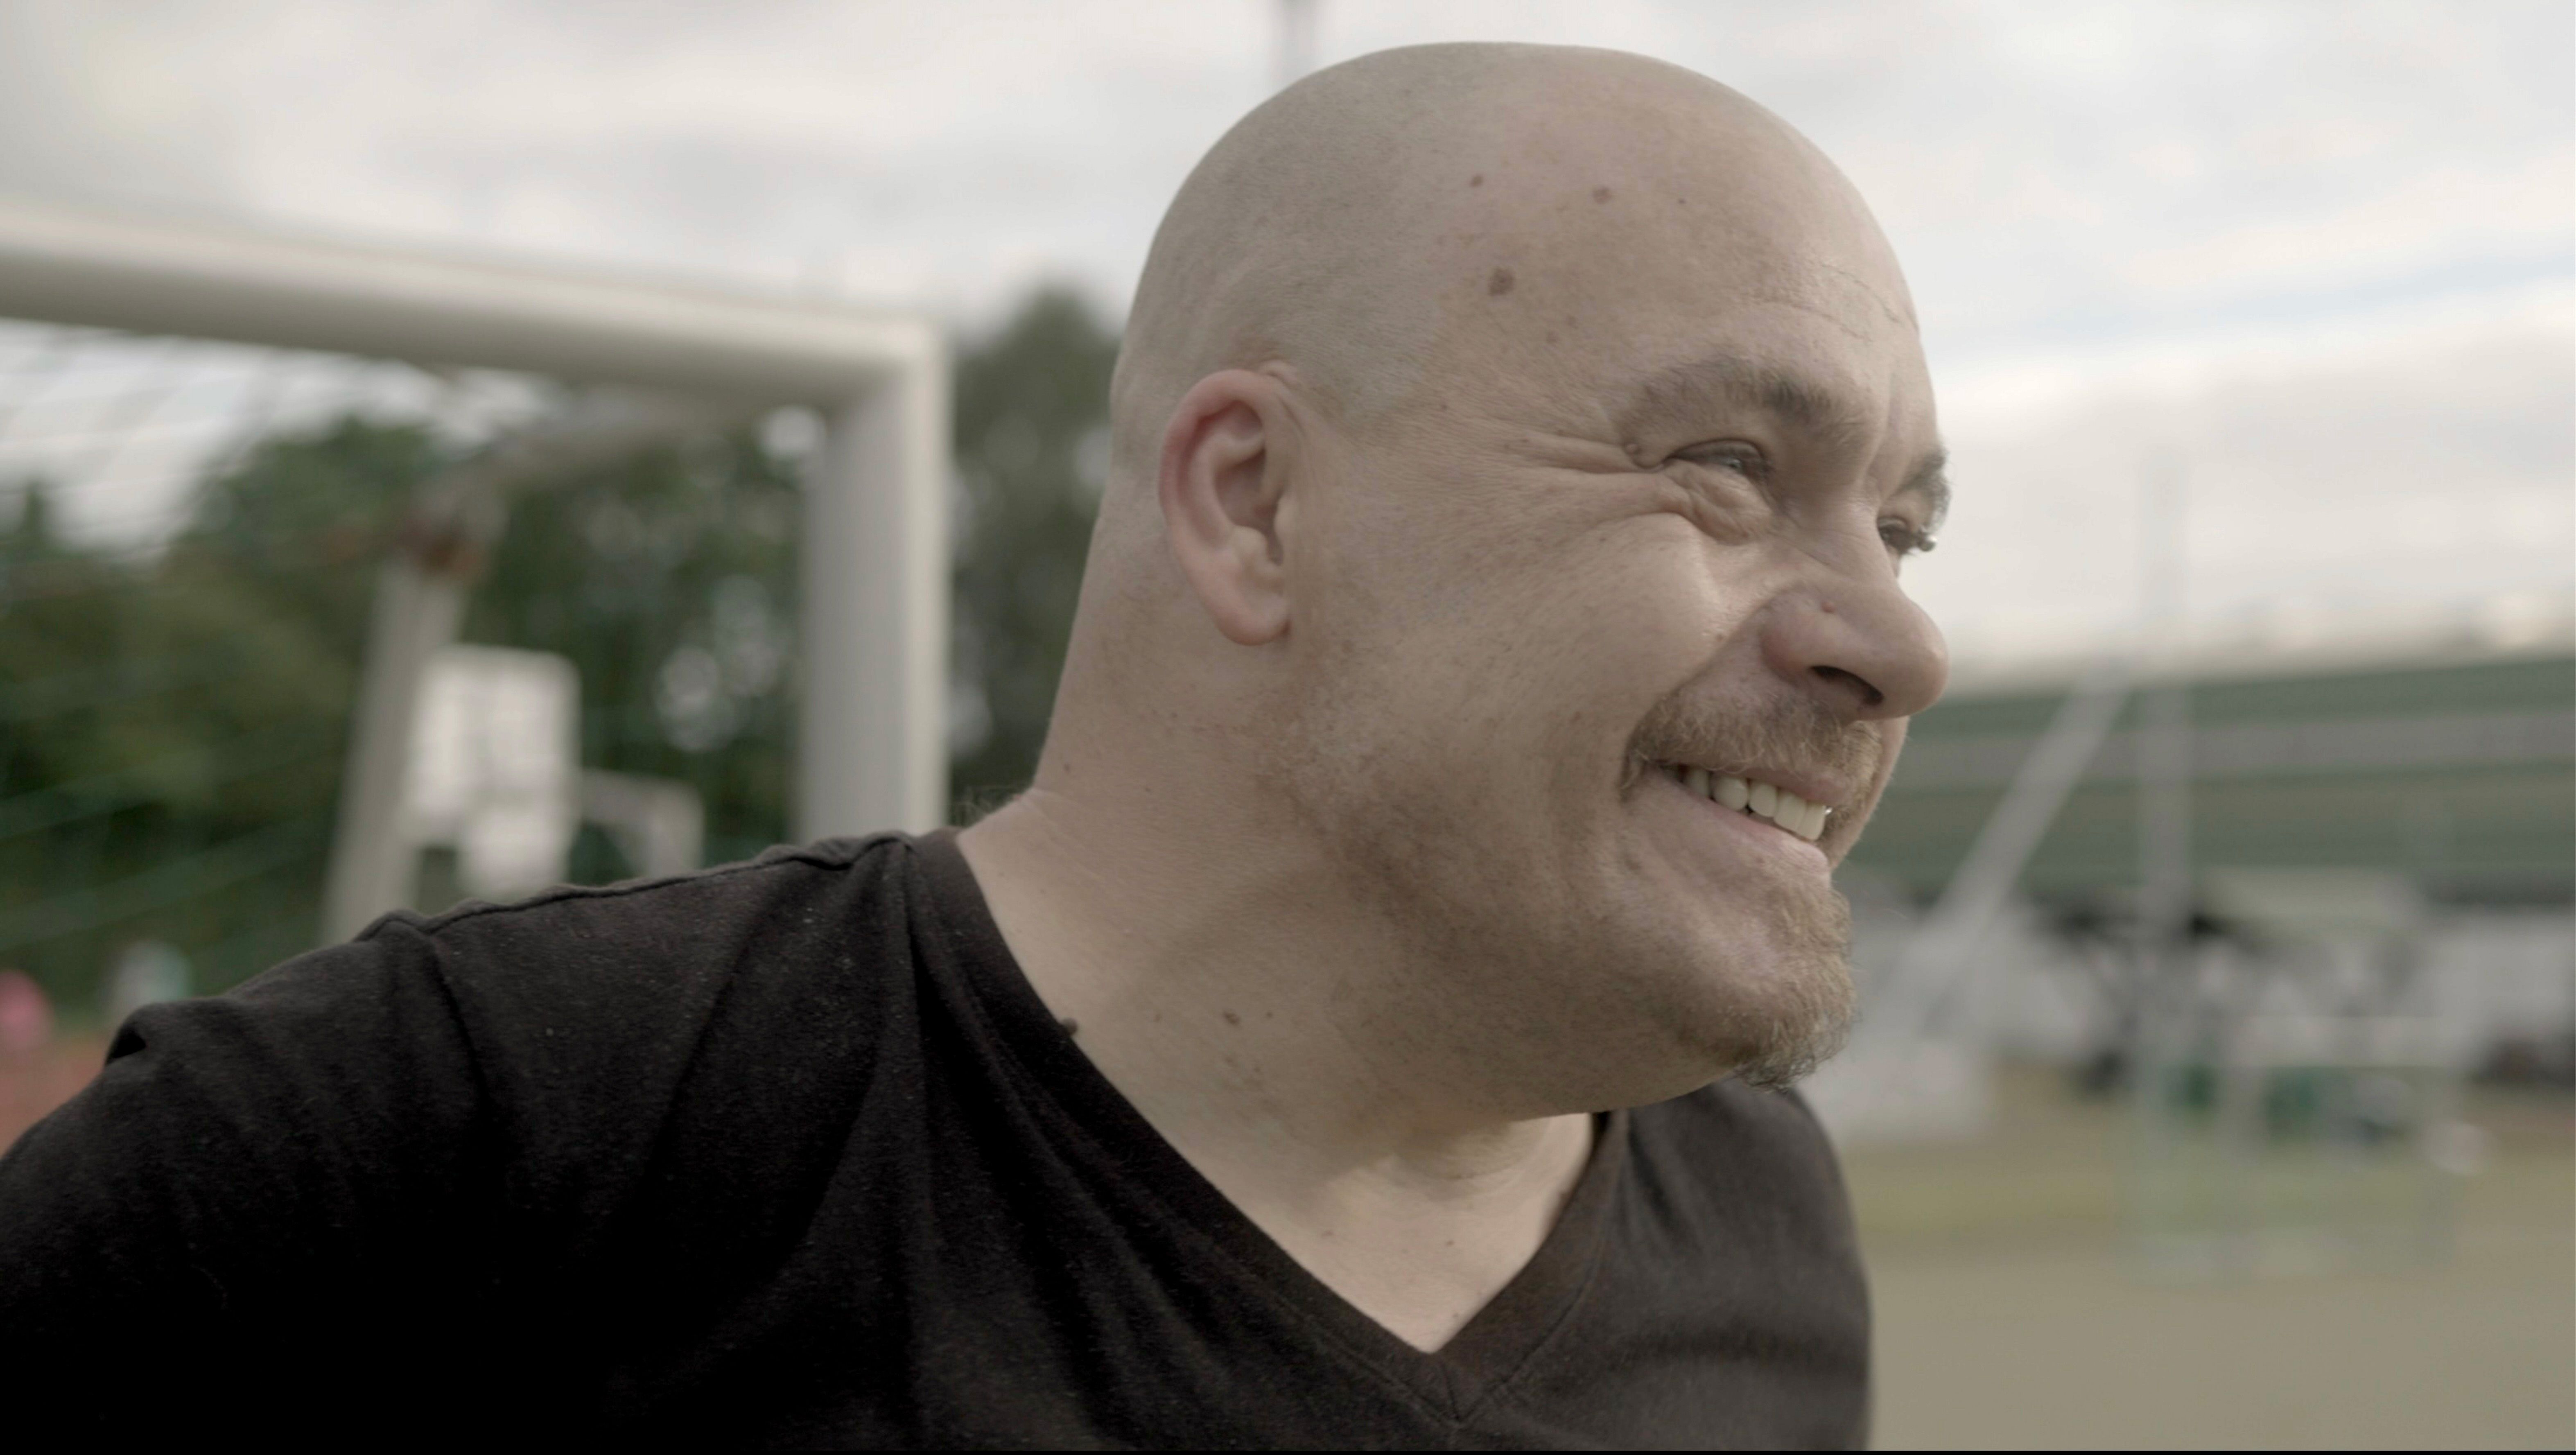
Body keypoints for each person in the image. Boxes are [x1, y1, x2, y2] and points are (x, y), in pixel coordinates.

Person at [0, 42, 1946, 1446]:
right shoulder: (457, 1140)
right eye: (1727, 465)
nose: (1899, 641)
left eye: (1902, 526)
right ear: (1253, 505)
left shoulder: (1762, 1227)